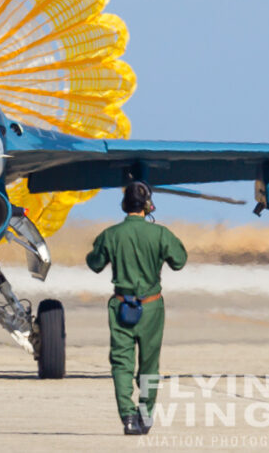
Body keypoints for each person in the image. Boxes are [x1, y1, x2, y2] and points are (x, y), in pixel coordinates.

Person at [86, 181, 187, 435]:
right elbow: (180, 261)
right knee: (149, 364)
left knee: (121, 363)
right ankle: (145, 415)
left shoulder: (110, 235)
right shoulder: (161, 234)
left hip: (121, 307)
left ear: (124, 205)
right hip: (152, 308)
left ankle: (128, 417)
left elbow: (95, 263)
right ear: (148, 205)